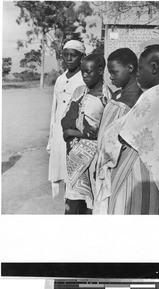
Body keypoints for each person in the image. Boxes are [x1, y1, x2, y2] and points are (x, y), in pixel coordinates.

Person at [94, 43, 159, 215]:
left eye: (141, 68)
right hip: (147, 167)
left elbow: (122, 132)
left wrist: (108, 135)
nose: (138, 72)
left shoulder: (155, 98)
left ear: (154, 68)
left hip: (142, 171)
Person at [61, 54, 113, 214]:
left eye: (88, 72)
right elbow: (65, 121)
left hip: (93, 159)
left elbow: (107, 132)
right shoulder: (79, 91)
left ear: (100, 70)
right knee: (74, 202)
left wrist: (73, 131)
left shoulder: (107, 97)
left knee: (91, 204)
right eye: (82, 72)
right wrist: (78, 130)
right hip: (73, 155)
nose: (84, 76)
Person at [93, 48, 142, 214]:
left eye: (114, 72)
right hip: (104, 161)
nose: (111, 77)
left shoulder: (136, 100)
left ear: (130, 69)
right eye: (109, 73)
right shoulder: (117, 95)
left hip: (119, 163)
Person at [47, 40, 85, 198]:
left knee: (76, 178)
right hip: (58, 133)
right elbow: (54, 111)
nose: (69, 58)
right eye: (65, 55)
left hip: (75, 133)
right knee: (61, 170)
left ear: (81, 57)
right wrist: (51, 138)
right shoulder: (60, 79)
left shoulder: (85, 78)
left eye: (73, 55)